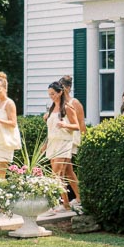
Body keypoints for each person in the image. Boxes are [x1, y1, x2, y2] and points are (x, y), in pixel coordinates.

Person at [43, 81, 82, 212]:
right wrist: (46, 144)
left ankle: (58, 203)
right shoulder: (51, 108)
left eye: (53, 93)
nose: (51, 96)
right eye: (49, 94)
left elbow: (76, 126)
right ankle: (73, 201)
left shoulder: (67, 107)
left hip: (64, 142)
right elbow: (50, 129)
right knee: (67, 173)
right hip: (53, 143)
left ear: (60, 92)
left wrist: (65, 125)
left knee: (56, 173)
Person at [57, 74, 86, 206]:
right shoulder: (59, 104)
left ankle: (64, 202)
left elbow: (81, 123)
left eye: (62, 87)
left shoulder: (75, 103)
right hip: (61, 140)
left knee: (62, 170)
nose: (60, 90)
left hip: (72, 140)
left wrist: (85, 141)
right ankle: (79, 198)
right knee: (68, 170)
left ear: (68, 88)